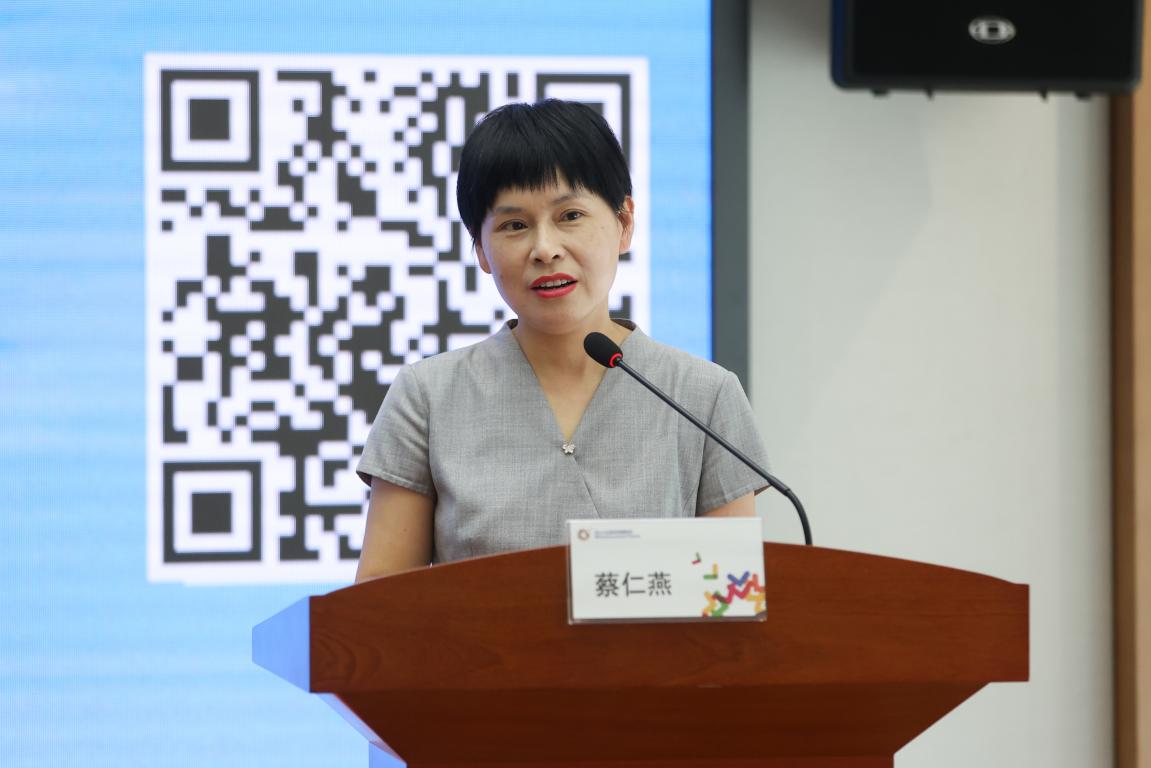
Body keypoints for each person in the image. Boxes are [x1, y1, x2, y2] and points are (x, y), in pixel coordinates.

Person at [355, 99, 769, 581]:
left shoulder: (704, 397)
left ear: (624, 223)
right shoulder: (427, 398)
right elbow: (378, 607)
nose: (545, 249)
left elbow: (731, 598)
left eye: (570, 215)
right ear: (481, 249)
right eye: (514, 225)